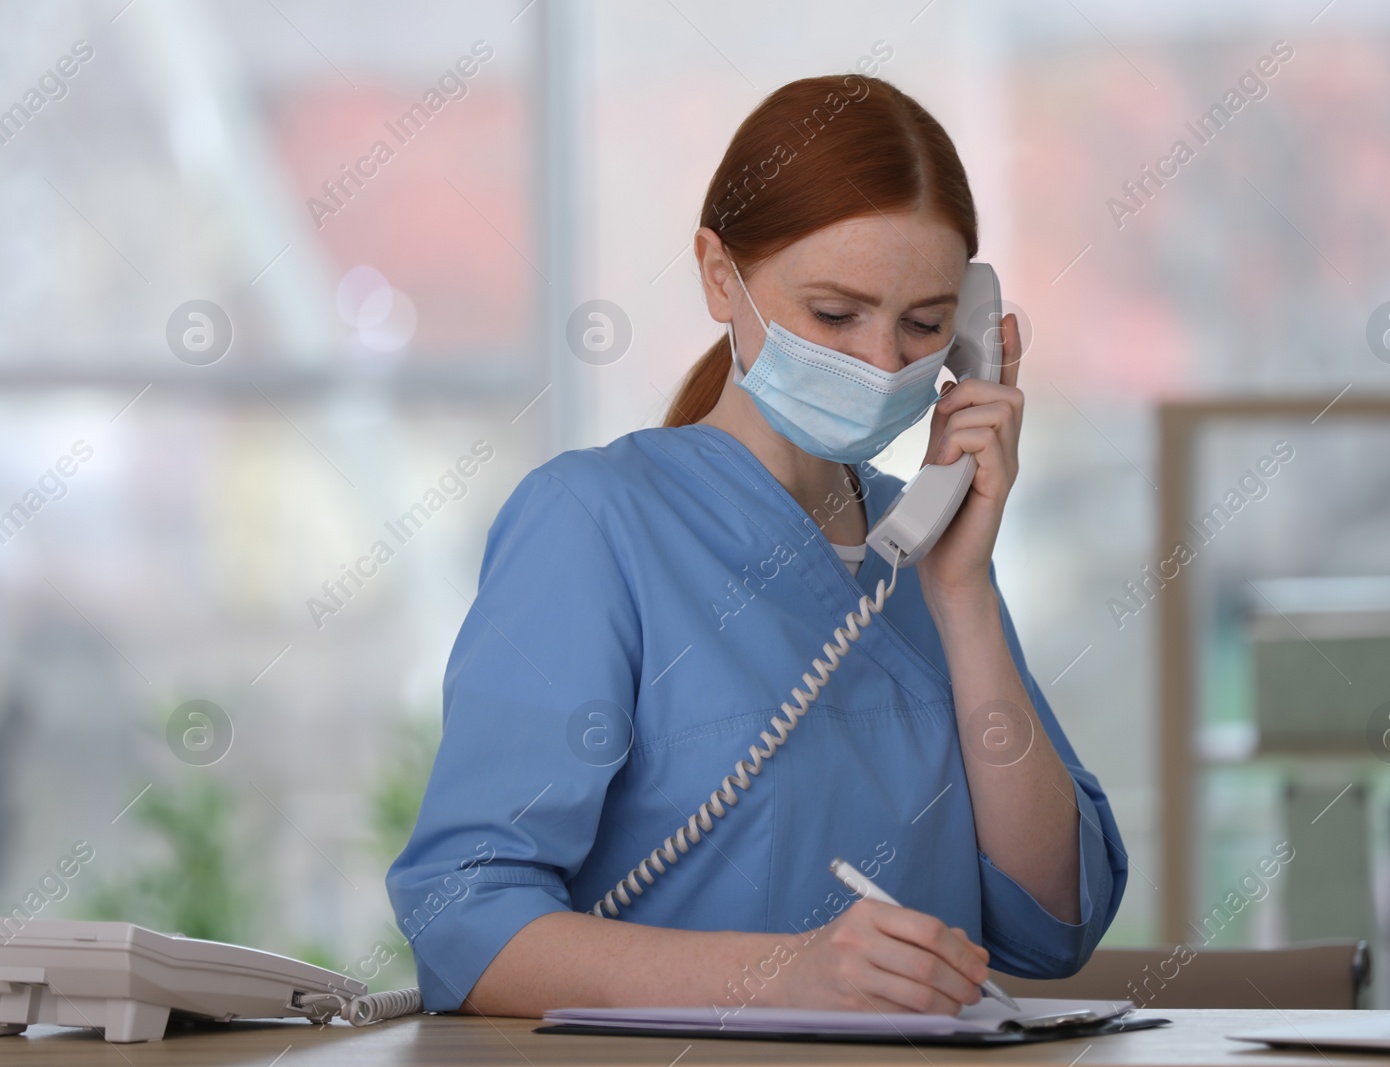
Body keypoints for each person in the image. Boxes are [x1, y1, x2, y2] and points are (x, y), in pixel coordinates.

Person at [387, 73, 1125, 1019]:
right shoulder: (594, 521)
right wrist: (781, 978)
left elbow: (1053, 921)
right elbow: (462, 915)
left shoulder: (934, 550)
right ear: (717, 275)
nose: (882, 363)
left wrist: (965, 589)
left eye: (927, 325)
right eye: (835, 315)